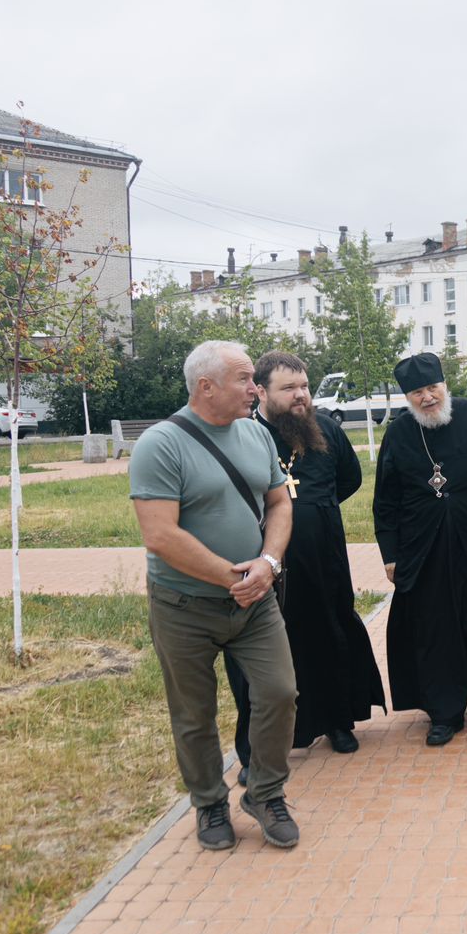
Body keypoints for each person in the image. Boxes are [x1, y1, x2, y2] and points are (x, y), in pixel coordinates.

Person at [128, 340, 300, 851]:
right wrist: (232, 577)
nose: (255, 388)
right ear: (206, 386)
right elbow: (160, 534)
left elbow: (279, 504)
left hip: (255, 601)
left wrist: (268, 564)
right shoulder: (161, 444)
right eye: (244, 379)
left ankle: (265, 793)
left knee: (279, 693)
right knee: (194, 713)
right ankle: (208, 804)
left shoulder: (256, 434)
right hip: (183, 606)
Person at [223, 351, 387, 787]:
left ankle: (337, 722)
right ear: (261, 392)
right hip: (265, 566)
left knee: (329, 635)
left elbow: (349, 479)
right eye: (289, 388)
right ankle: (259, 749)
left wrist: (317, 512)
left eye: (304, 386)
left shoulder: (325, 429)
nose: (301, 396)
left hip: (324, 559)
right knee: (262, 657)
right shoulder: (242, 435)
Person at [373, 353, 467, 747]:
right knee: (437, 630)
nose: (427, 397)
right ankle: (445, 711)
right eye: (417, 392)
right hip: (425, 551)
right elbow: (386, 500)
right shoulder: (399, 433)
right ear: (407, 397)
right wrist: (390, 554)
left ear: (444, 385)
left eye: (432, 388)